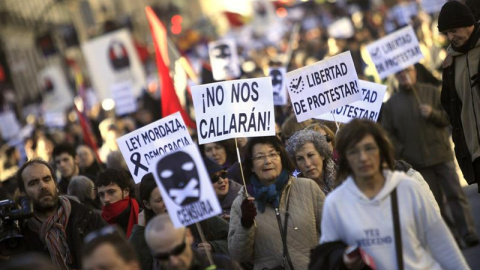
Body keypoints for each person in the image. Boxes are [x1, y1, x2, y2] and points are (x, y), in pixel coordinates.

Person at [320, 119, 469, 269]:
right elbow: (328, 257)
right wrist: (345, 260)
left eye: (369, 148)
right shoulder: (336, 203)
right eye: (354, 151)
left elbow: (442, 244)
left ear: (382, 150)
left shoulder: (407, 187)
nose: (363, 157)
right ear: (344, 158)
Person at [382, 64, 478, 247]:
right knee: (432, 204)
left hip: (441, 155)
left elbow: (449, 118)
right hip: (417, 164)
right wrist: (403, 152)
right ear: (396, 77)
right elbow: (388, 135)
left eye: (407, 70)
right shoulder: (391, 105)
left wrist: (432, 114)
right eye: (400, 73)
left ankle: (468, 232)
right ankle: (449, 238)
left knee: (455, 195)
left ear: (415, 72)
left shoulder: (432, 92)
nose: (404, 75)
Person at [228, 136, 325, 270]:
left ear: (282, 158)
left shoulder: (308, 187)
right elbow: (238, 256)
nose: (268, 161)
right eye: (260, 157)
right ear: (251, 166)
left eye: (273, 154)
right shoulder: (242, 203)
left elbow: (333, 231)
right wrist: (245, 224)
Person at [16, 159, 105, 269]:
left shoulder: (87, 217)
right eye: (33, 183)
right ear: (23, 192)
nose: (43, 186)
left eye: (47, 179)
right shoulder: (20, 235)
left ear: (55, 183)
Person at [438, 1, 480, 193]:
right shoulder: (450, 63)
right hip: (475, 154)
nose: (450, 37)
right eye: (446, 33)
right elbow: (450, 106)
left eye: (453, 30)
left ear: (468, 23)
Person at [145, 213, 242, 270]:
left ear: (189, 236)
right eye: (163, 257)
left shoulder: (223, 265)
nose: (173, 261)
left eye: (178, 250)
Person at [286, 129, 337, 195]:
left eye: (310, 155)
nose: (307, 164)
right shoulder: (294, 190)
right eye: (300, 159)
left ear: (322, 155)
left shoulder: (343, 178)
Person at [97, 168, 139, 238]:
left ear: (126, 191)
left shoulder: (143, 217)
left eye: (111, 192)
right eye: (101, 194)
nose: (106, 199)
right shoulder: (97, 223)